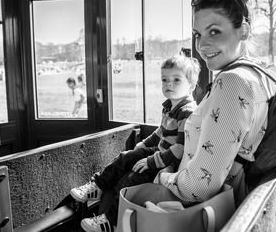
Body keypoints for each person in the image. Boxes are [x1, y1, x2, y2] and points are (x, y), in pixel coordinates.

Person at [153, 0, 276, 206]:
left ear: (243, 31)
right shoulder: (263, 75)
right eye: (197, 34)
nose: (201, 46)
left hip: (200, 211)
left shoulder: (233, 81)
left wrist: (163, 177)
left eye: (214, 32)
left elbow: (198, 188)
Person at [70, 55, 200, 232]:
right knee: (125, 157)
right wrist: (142, 146)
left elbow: (180, 148)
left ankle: (110, 221)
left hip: (168, 163)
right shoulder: (170, 107)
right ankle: (98, 186)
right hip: (157, 152)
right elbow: (160, 133)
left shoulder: (187, 112)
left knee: (131, 180)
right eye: (165, 80)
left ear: (191, 86)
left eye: (176, 80)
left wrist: (150, 161)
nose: (169, 84)